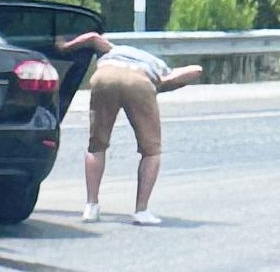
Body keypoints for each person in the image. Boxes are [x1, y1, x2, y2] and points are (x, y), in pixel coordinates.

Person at [56, 31, 204, 225]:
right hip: (140, 82)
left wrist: (65, 47)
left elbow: (92, 37)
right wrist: (165, 81)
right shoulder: (158, 65)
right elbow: (197, 69)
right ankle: (141, 211)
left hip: (105, 76)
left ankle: (91, 206)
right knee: (151, 151)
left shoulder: (114, 49)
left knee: (97, 145)